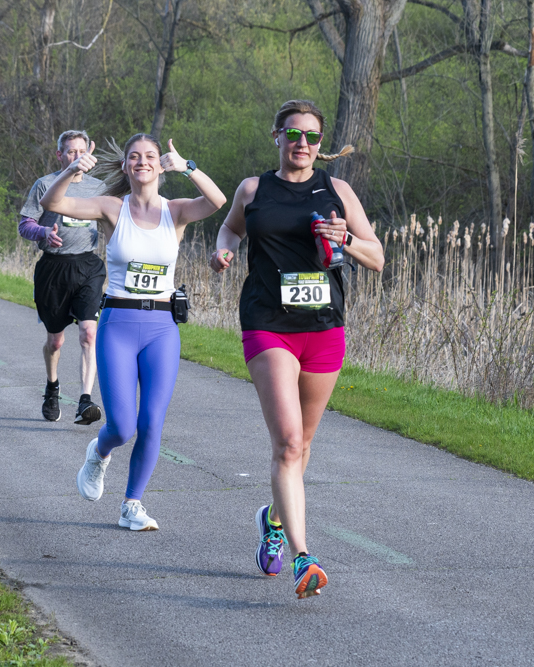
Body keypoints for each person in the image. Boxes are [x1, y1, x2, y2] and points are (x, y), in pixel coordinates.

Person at [210, 100, 384, 599]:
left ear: (320, 145)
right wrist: (223, 249)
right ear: (277, 136)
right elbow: (230, 227)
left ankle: (274, 519)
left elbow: (376, 257)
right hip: (268, 324)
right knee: (287, 443)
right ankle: (303, 558)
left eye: (310, 136)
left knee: (302, 446)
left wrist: (344, 236)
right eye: (292, 134)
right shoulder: (253, 189)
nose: (301, 144)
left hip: (325, 327)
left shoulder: (339, 191)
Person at [40, 134, 226, 531]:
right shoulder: (112, 207)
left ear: (160, 165)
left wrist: (188, 166)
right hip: (118, 323)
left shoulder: (175, 212)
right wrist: (72, 171)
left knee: (151, 422)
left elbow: (216, 203)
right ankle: (99, 453)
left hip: (161, 327)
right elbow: (52, 204)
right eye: (134, 157)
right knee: (122, 426)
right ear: (125, 166)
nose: (142, 162)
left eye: (151, 157)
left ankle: (132, 504)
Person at [19, 130, 105, 425]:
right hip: (53, 269)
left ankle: (85, 400)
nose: (77, 157)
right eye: (70, 152)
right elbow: (24, 225)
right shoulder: (44, 184)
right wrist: (42, 232)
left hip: (88, 265)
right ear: (60, 155)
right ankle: (52, 387)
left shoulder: (99, 186)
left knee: (89, 333)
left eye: (81, 151)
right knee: (55, 341)